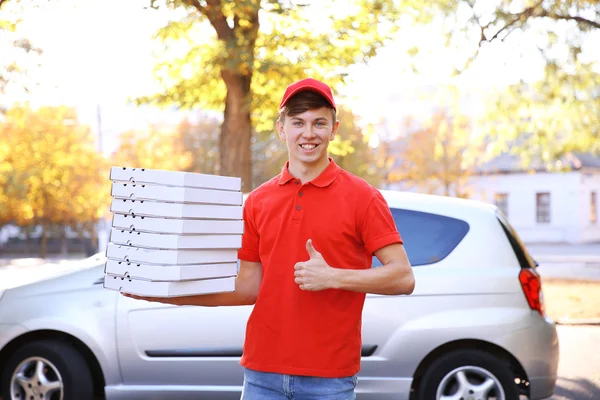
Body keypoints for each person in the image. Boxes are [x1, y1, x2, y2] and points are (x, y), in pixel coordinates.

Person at [124, 77, 415, 400]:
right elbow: (248, 286)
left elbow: (403, 277)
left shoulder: (363, 198)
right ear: (281, 128)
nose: (308, 133)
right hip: (262, 374)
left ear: (334, 129)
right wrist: (166, 293)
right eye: (298, 122)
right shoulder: (259, 201)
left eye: (319, 123)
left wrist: (332, 276)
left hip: (328, 378)